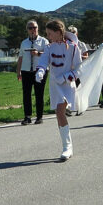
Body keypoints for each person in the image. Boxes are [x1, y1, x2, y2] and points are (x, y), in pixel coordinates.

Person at [35, 20, 82, 161]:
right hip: (55, 85)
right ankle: (67, 146)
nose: (48, 36)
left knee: (60, 111)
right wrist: (40, 71)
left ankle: (67, 147)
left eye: (50, 33)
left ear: (58, 32)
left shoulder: (73, 47)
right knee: (59, 113)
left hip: (67, 84)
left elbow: (79, 69)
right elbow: (43, 61)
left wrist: (66, 77)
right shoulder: (49, 47)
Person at [16, 20, 49, 125]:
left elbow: (48, 55)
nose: (32, 30)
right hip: (26, 71)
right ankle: (27, 116)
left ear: (38, 28)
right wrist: (18, 71)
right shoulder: (24, 43)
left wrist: (38, 53)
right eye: (30, 28)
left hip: (40, 71)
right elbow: (20, 58)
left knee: (39, 94)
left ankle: (39, 117)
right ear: (27, 30)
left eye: (34, 27)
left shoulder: (43, 41)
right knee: (26, 94)